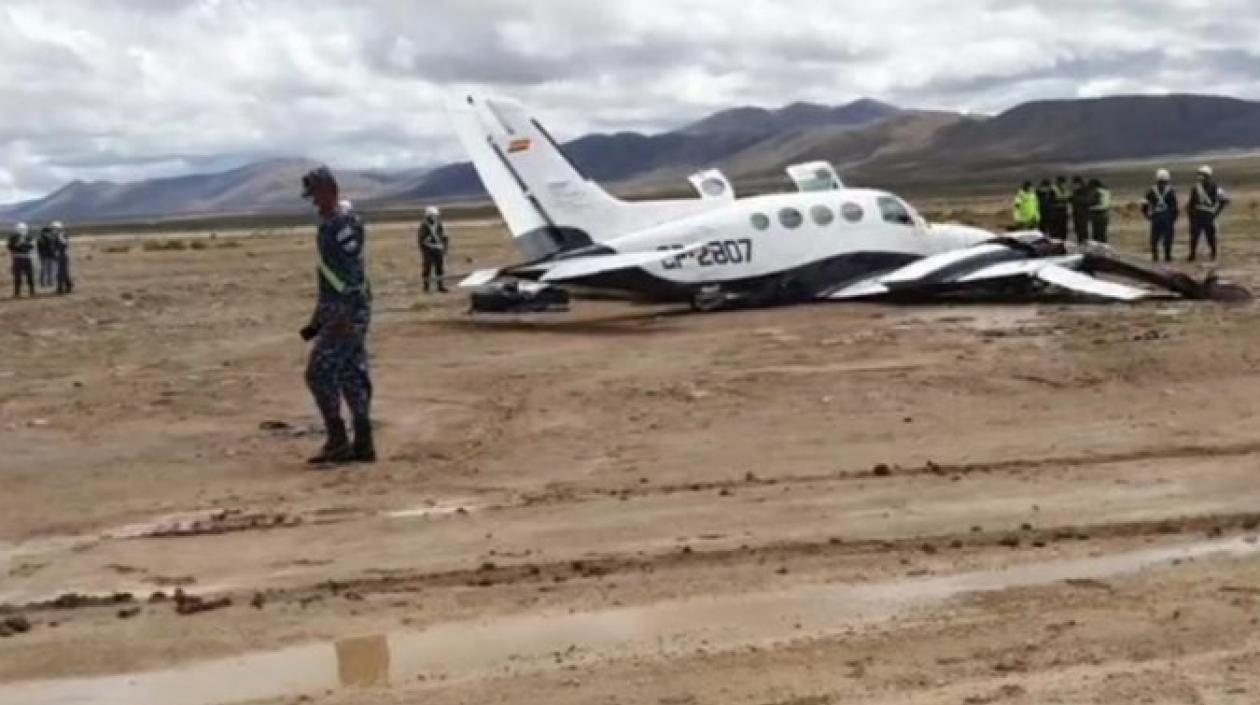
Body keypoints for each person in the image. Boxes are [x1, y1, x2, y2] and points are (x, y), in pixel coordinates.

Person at [298, 166, 376, 466]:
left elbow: (352, 273)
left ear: (329, 191)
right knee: (350, 373)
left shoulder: (342, 224)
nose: (314, 203)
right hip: (339, 313)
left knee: (318, 373)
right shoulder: (330, 223)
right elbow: (330, 279)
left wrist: (344, 313)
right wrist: (316, 323)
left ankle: (339, 440)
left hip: (347, 313)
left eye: (316, 196)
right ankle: (363, 442)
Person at [1187, 165, 1230, 262]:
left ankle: (1213, 254)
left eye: (1202, 175)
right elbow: (1191, 202)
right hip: (1197, 214)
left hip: (1208, 214)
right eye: (1199, 174)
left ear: (1208, 176)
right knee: (1194, 235)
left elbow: (1224, 200)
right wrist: (1191, 214)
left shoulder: (1216, 187)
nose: (1200, 177)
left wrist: (1216, 212)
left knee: (1210, 235)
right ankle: (1192, 254)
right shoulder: (1195, 188)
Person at [1142, 169, 1179, 263]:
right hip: (1167, 217)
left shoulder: (1151, 191)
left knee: (1154, 237)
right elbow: (1174, 206)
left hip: (1156, 216)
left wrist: (1147, 215)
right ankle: (1167, 256)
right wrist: (1173, 218)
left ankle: (1155, 256)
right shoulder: (1170, 191)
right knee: (1168, 237)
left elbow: (1144, 204)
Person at [417, 205, 449, 293]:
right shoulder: (424, 225)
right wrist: (425, 248)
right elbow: (421, 239)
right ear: (428, 216)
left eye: (435, 215)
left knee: (440, 268)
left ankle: (440, 286)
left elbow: (444, 236)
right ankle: (426, 287)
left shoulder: (439, 224)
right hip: (428, 250)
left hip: (438, 249)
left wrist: (445, 248)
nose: (434, 217)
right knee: (427, 268)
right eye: (432, 215)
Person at [7, 222, 36, 298]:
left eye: (23, 229)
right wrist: (18, 245)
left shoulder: (28, 237)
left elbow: (31, 246)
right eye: (21, 229)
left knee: (29, 275)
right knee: (17, 276)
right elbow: (10, 246)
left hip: (26, 257)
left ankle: (32, 291)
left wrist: (23, 244)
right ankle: (17, 293)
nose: (22, 230)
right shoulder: (13, 238)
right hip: (18, 258)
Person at [1087, 178, 1112, 244]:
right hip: (1105, 214)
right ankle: (1103, 247)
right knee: (1102, 233)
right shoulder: (1106, 190)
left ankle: (1098, 249)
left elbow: (1097, 203)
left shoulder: (1097, 192)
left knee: (1097, 234)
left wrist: (1089, 207)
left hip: (1098, 214)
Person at [51, 221, 73, 295]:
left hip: (62, 255)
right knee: (61, 273)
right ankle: (65, 287)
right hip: (57, 256)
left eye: (55, 228)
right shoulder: (54, 236)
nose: (54, 230)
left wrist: (59, 237)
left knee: (62, 272)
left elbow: (65, 244)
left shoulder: (62, 235)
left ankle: (63, 288)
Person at [1047, 175, 1071, 241]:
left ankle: (1063, 241)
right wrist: (1062, 199)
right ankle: (1056, 242)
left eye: (1063, 183)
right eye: (1061, 182)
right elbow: (1051, 200)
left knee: (1063, 228)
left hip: (1063, 210)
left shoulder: (1066, 189)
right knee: (1056, 229)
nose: (1063, 184)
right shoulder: (1053, 189)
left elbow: (1069, 198)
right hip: (1056, 211)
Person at [1070, 176, 1091, 244]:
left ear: (1079, 184)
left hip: (1083, 214)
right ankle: (1081, 244)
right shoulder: (1075, 191)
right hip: (1076, 214)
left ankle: (1085, 245)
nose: (1074, 186)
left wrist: (1076, 199)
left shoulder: (1085, 191)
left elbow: (1087, 201)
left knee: (1083, 232)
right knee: (1078, 231)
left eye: (1075, 184)